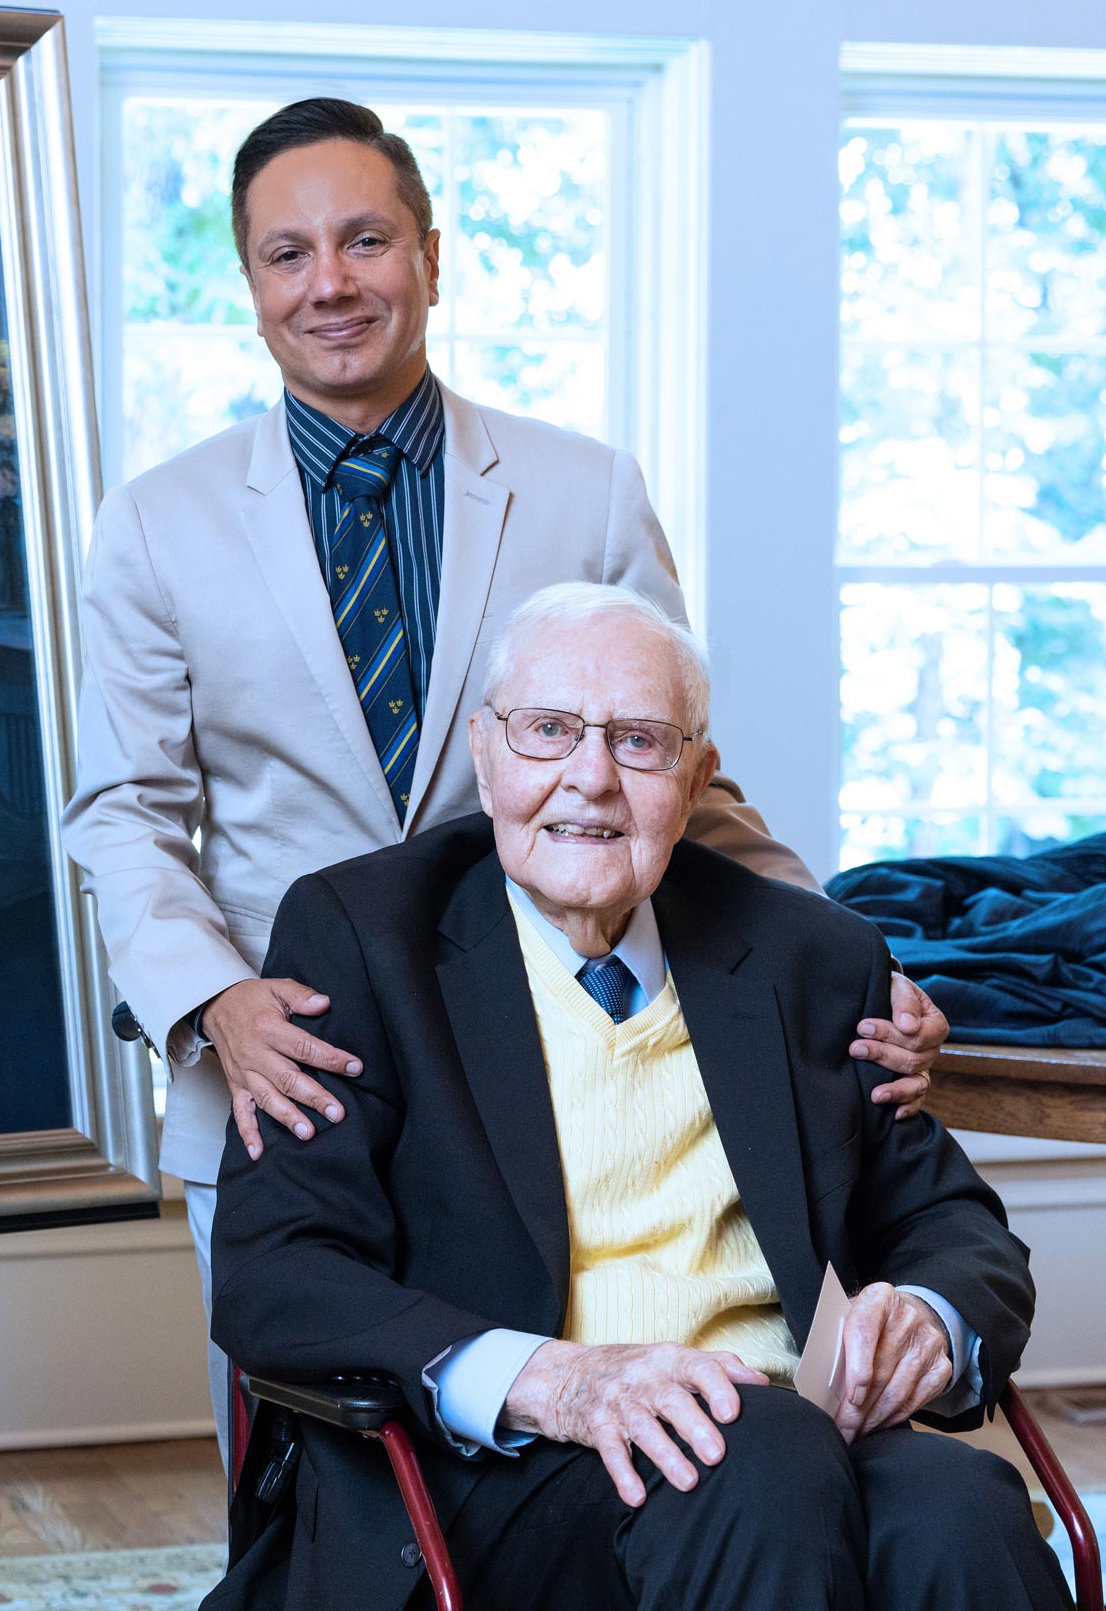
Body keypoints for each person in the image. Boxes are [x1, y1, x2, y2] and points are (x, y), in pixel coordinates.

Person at [59, 97, 948, 1440]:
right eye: (288, 254)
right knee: (314, 1471)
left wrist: (848, 962)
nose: (332, 283)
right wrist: (217, 1004)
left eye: (366, 240)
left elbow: (682, 774)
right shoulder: (154, 524)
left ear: (429, 252)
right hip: (295, 1069)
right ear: (248, 286)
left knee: (569, 1453)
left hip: (537, 1070)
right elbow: (125, 809)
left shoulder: (582, 491)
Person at [203, 584, 1068, 1611]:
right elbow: (275, 1272)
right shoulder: (363, 936)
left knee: (955, 1505)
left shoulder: (806, 955)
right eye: (547, 730)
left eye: (638, 742)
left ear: (696, 777)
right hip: (498, 1475)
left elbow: (947, 1220)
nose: (588, 778)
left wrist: (928, 1314)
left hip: (786, 1432)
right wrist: (550, 1379)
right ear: (483, 752)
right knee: (758, 1450)